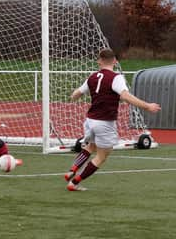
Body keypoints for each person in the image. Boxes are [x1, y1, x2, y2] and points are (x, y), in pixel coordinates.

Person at [65, 48, 161, 191]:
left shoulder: (92, 77)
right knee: (102, 156)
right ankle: (74, 183)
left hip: (90, 120)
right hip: (104, 122)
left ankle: (71, 170)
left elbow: (76, 93)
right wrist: (147, 106)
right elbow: (126, 96)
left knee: (91, 146)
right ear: (115, 61)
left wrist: (73, 97)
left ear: (99, 61)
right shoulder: (116, 78)